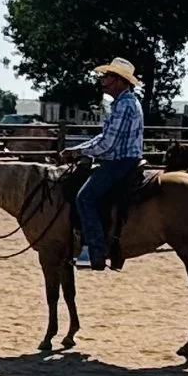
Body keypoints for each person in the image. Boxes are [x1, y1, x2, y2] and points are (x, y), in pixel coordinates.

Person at [67, 59, 144, 270]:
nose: (103, 80)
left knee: (85, 197)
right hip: (123, 158)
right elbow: (104, 136)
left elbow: (108, 144)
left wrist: (79, 151)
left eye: (108, 76)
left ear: (119, 81)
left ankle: (95, 250)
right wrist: (79, 148)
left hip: (121, 161)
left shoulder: (124, 104)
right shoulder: (123, 102)